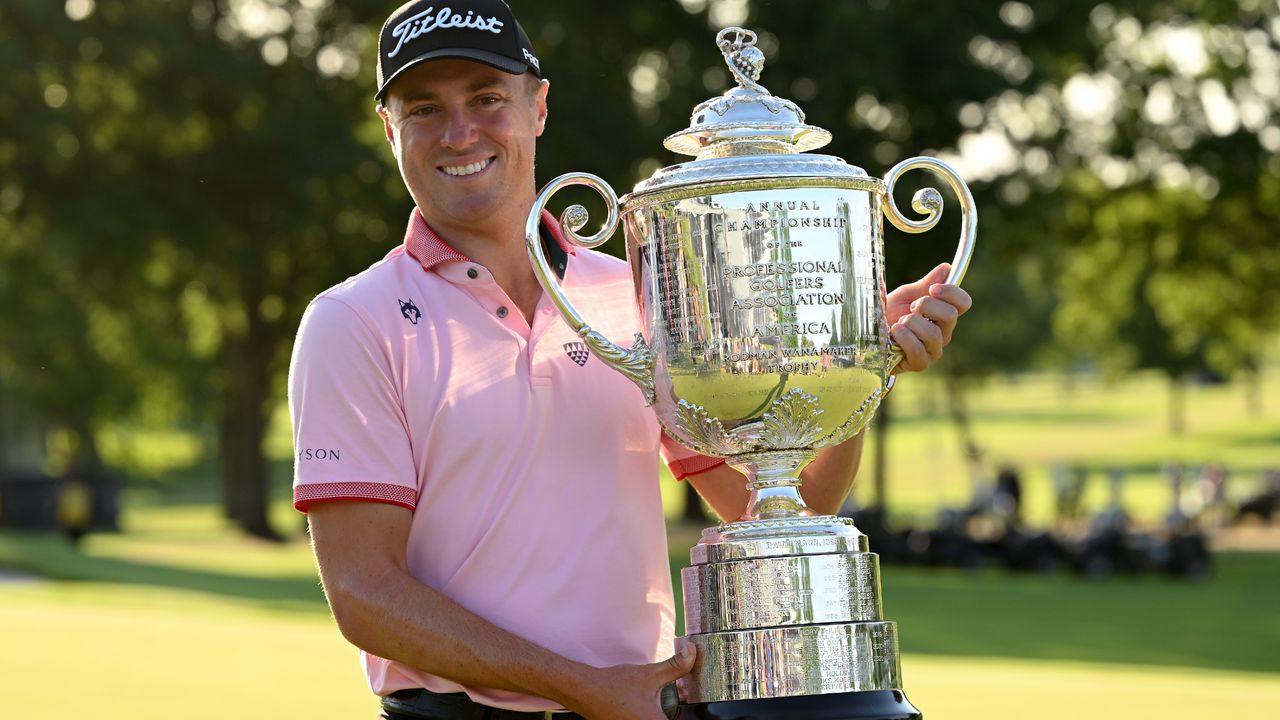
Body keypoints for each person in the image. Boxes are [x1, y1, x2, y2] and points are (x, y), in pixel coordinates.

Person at [287, 2, 973, 718]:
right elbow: (366, 594)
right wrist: (578, 686)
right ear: (390, 128)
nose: (460, 133)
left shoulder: (635, 292)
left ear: (537, 105)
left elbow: (769, 504)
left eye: (487, 98)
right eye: (424, 108)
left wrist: (855, 371)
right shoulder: (352, 321)